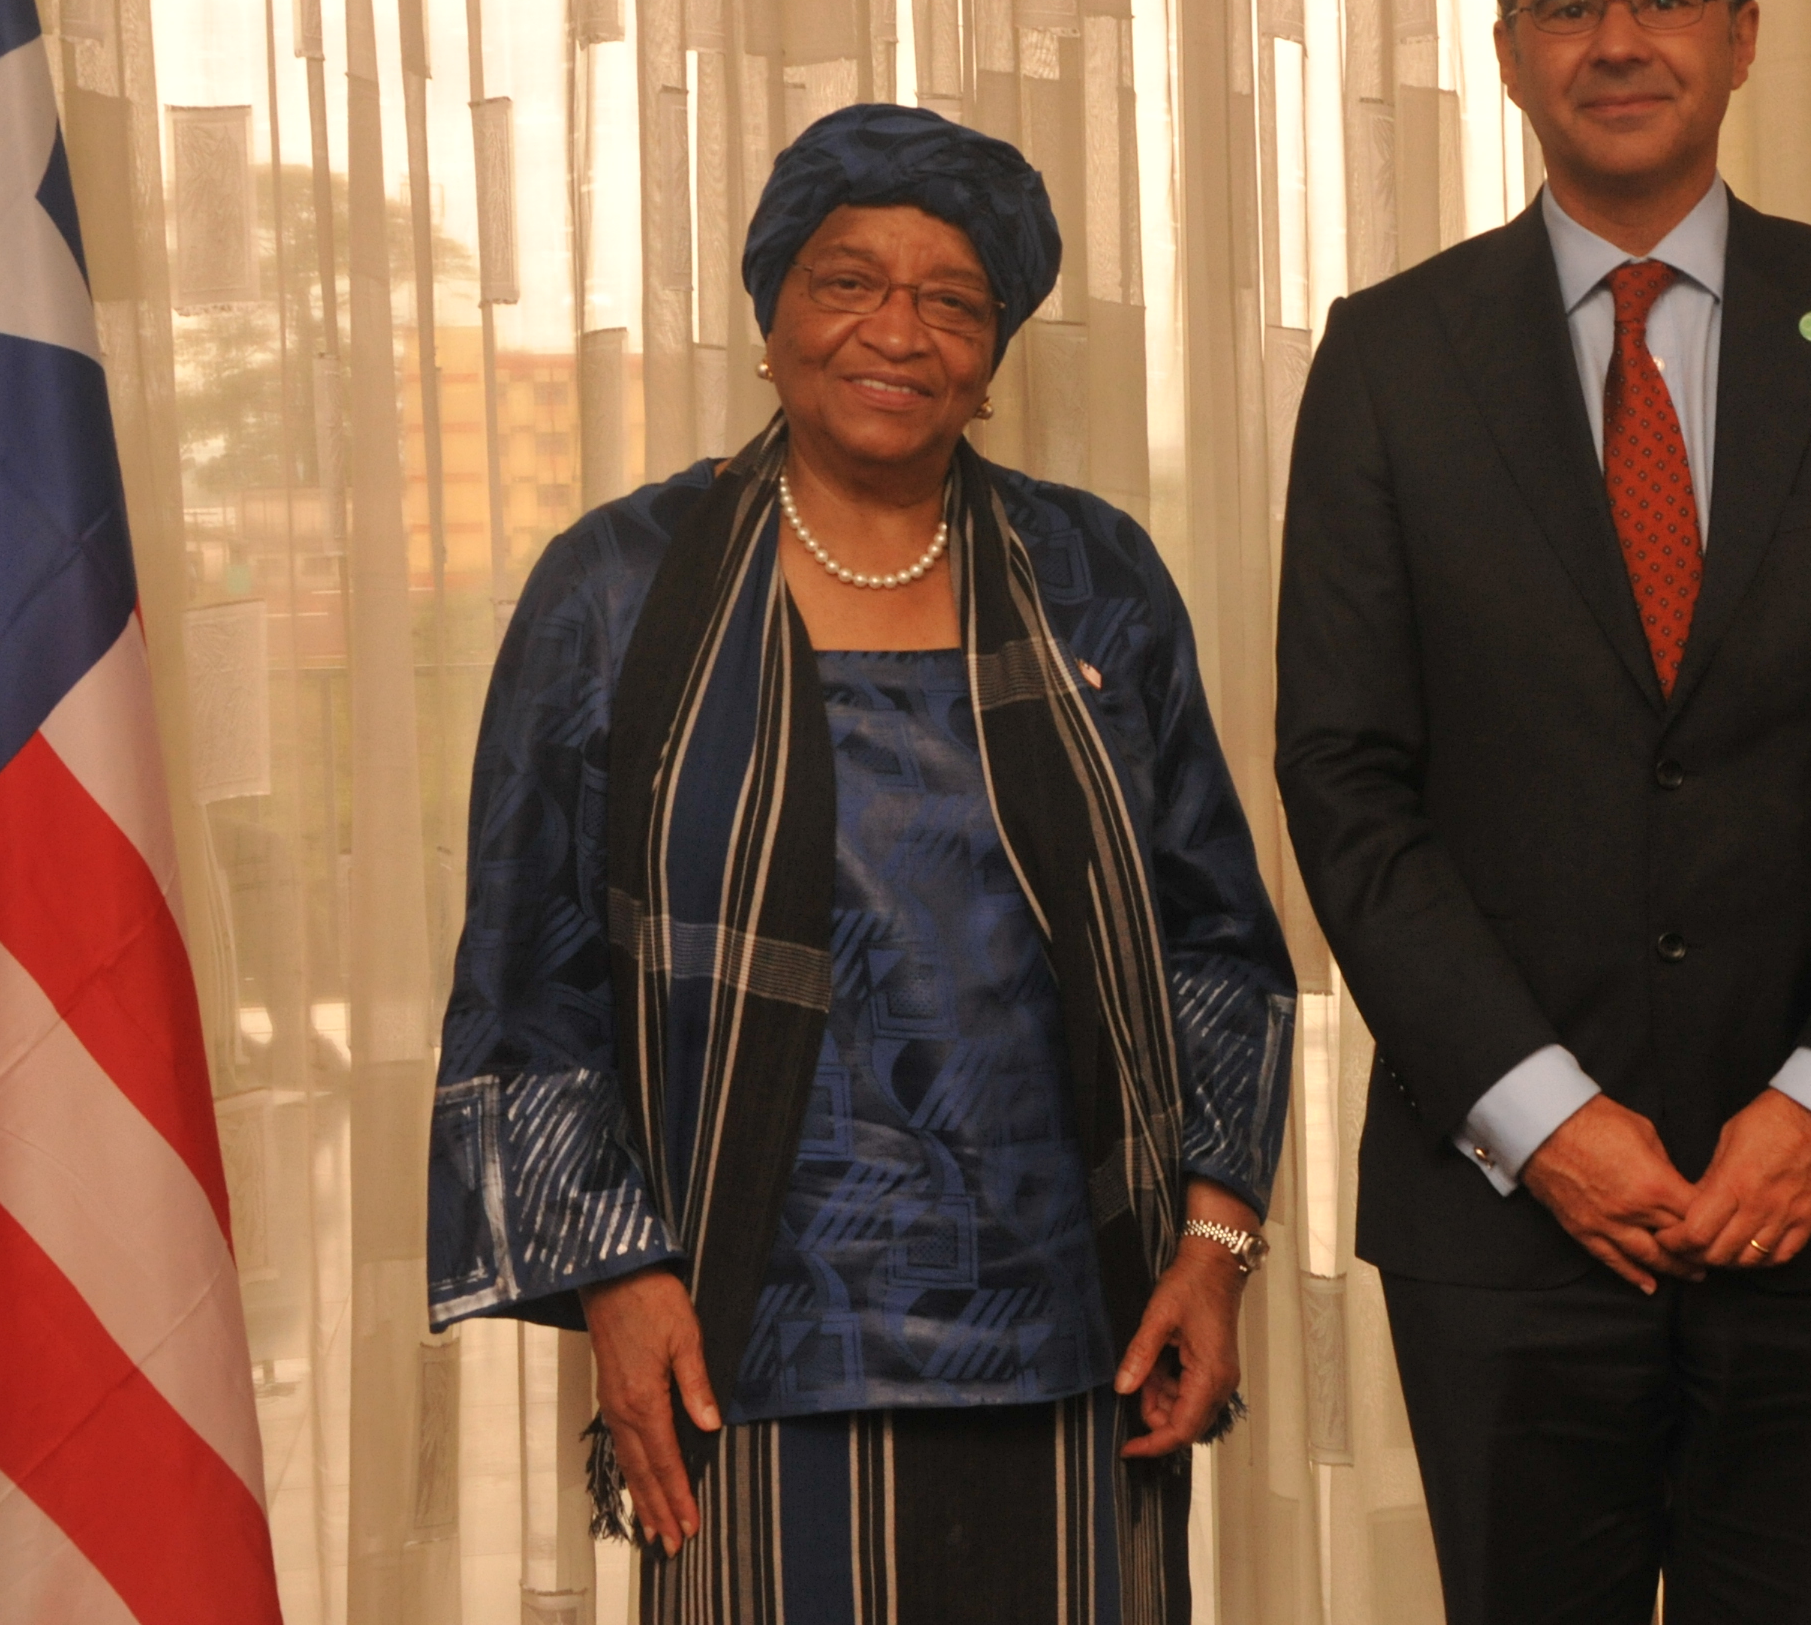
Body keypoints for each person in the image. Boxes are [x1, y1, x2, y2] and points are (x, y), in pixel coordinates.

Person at [1275, 0, 1811, 1624]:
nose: (1618, 40)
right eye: (1570, 3)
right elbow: (1348, 783)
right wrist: (1546, 1123)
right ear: (1509, 49)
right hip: (1507, 1229)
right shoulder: (1387, 360)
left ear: (1746, 33)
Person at [426, 104, 1297, 1625]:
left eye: (952, 299)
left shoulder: (1094, 577)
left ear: (995, 348)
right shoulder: (619, 588)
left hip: (1083, 1333)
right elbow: (530, 975)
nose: (898, 330)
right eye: (849, 282)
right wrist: (613, 1282)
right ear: (772, 316)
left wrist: (1216, 1246)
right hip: (742, 1340)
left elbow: (1212, 936)